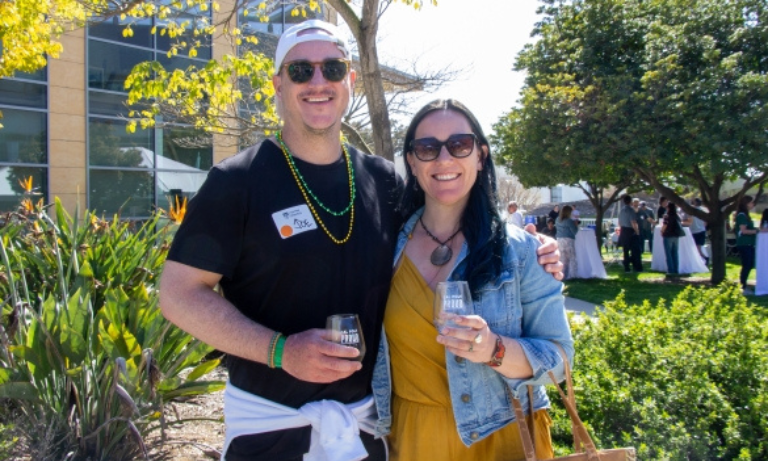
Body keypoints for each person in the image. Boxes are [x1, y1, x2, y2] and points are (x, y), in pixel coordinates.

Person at [158, 20, 563, 461]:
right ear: (277, 83)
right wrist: (279, 351)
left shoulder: (381, 179)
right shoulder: (235, 182)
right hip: (270, 428)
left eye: (332, 69)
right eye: (300, 71)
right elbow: (178, 294)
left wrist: (530, 246)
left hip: (369, 430)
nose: (318, 82)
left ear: (349, 80)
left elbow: (447, 216)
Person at [372, 99, 573, 461]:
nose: (444, 159)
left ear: (480, 156)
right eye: (428, 148)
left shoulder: (521, 252)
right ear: (412, 161)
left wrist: (494, 349)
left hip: (503, 438)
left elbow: (560, 360)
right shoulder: (383, 247)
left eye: (460, 145)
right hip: (413, 438)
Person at [734, 195, 757, 295]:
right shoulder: (742, 216)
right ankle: (743, 285)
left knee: (750, 263)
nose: (753, 204)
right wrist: (756, 231)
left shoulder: (746, 215)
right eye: (751, 202)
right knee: (747, 264)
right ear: (746, 204)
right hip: (744, 243)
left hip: (749, 243)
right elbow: (743, 230)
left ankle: (744, 284)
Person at [618, 194, 643, 272]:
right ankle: (637, 267)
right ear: (631, 202)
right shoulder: (631, 210)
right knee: (635, 250)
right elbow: (633, 222)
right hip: (630, 230)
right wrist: (637, 231)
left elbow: (619, 222)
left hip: (623, 230)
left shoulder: (622, 210)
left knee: (626, 250)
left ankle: (627, 267)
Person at [555, 205, 579, 279]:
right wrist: (576, 224)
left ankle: (562, 275)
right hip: (568, 240)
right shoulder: (569, 221)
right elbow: (575, 231)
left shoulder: (557, 219)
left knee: (562, 259)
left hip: (559, 239)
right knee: (572, 258)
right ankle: (572, 276)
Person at [661, 201, 684, 276]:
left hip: (668, 235)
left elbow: (665, 225)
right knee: (675, 253)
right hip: (676, 236)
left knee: (669, 254)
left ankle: (670, 270)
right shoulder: (677, 216)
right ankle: (676, 269)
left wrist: (661, 231)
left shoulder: (667, 216)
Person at [688, 198, 708, 265]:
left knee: (697, 248)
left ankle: (705, 258)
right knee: (698, 247)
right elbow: (706, 222)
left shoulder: (693, 211)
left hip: (695, 231)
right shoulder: (703, 210)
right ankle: (701, 260)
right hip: (701, 230)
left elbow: (689, 221)